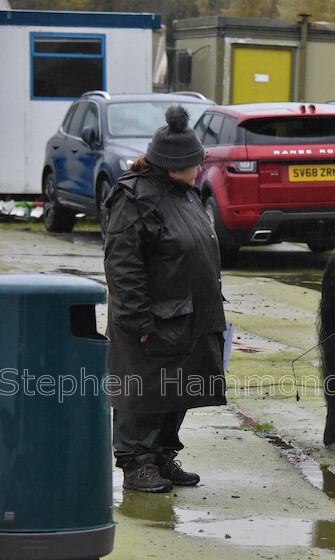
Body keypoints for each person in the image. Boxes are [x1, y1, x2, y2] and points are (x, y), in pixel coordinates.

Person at [103, 105, 226, 493]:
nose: (200, 168)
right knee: (142, 393)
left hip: (190, 317)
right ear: (175, 165)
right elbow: (123, 266)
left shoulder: (184, 193)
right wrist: (137, 321)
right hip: (152, 320)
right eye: (195, 162)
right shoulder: (135, 197)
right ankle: (136, 463)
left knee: (180, 389)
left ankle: (161, 457)